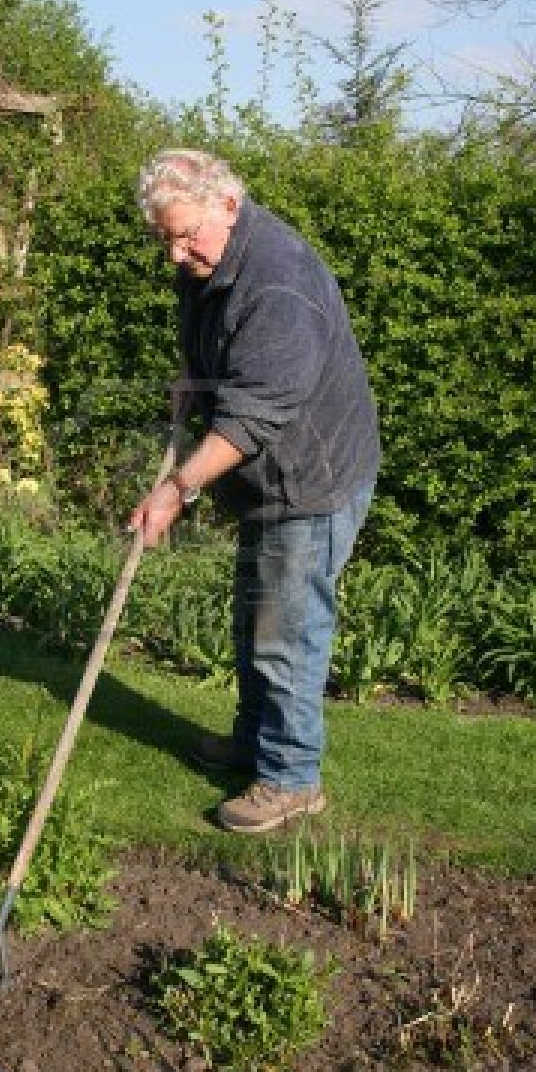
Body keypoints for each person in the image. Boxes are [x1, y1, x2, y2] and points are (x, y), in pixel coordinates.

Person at [129, 149, 380, 834]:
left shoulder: (276, 286)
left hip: (310, 480)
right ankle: (252, 742)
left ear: (228, 206)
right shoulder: (212, 256)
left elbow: (253, 417)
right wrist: (192, 375)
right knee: (254, 619)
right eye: (166, 239)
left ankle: (291, 778)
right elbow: (210, 335)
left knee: (287, 633)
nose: (177, 254)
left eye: (186, 235)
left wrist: (174, 490)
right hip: (271, 478)